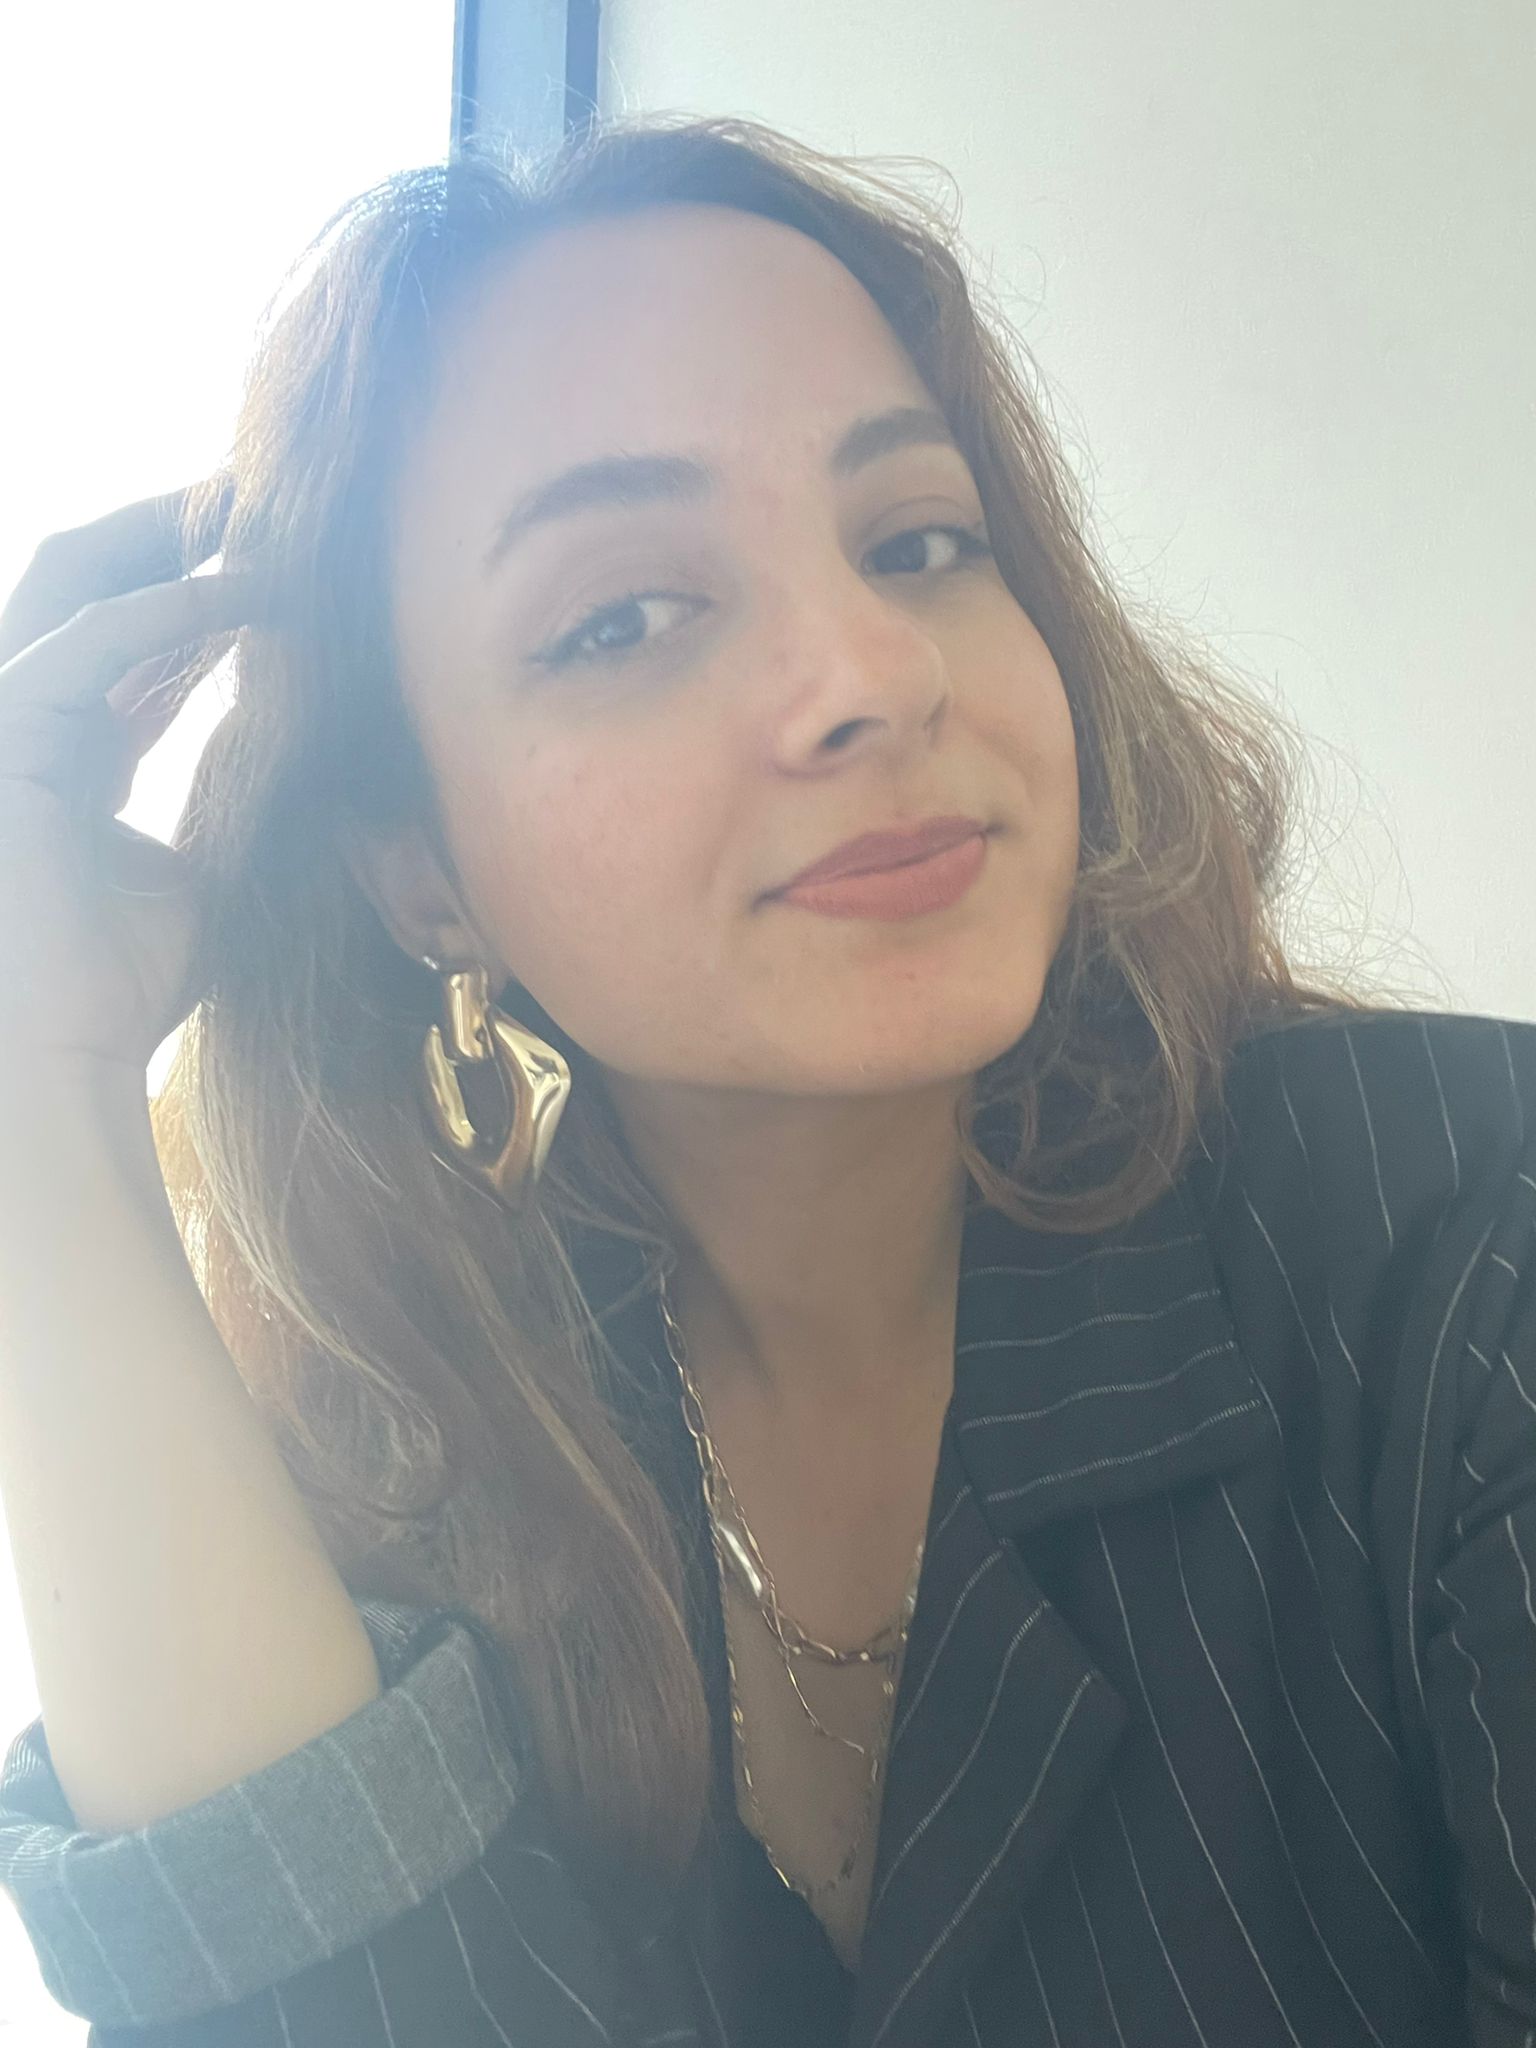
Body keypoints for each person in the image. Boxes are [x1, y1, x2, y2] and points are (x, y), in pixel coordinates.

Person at [0, 110, 1530, 2048]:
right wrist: (40, 1091)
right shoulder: (432, 1431)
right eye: (624, 617)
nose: (875, 672)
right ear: (423, 873)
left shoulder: (1471, 1251)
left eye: (919, 542)